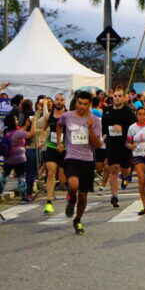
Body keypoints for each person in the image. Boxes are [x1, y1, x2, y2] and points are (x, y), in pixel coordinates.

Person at [56, 91, 102, 235]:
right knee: (73, 184)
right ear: (76, 102)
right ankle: (71, 199)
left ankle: (78, 219)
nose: (81, 106)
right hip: (71, 157)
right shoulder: (67, 116)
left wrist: (89, 129)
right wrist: (59, 142)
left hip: (87, 159)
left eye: (85, 104)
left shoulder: (95, 120)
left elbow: (97, 145)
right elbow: (58, 125)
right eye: (79, 103)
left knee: (83, 196)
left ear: (89, 105)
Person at [102, 88, 135, 207]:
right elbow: (104, 127)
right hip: (112, 144)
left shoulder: (128, 112)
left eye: (120, 96)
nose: (117, 98)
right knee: (114, 169)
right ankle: (114, 196)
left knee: (125, 169)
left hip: (124, 144)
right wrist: (104, 136)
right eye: (115, 96)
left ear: (124, 98)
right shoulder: (107, 111)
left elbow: (133, 128)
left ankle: (126, 176)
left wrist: (123, 129)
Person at [0, 114, 35, 202]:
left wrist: (26, 125)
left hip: (8, 159)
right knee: (21, 177)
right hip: (20, 159)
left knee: (4, 176)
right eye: (15, 119)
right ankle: (23, 197)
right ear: (13, 122)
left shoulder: (7, 133)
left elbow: (21, 131)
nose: (17, 120)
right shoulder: (18, 133)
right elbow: (31, 134)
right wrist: (34, 122)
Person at [42, 94, 67, 214]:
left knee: (63, 178)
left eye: (61, 100)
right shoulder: (49, 116)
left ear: (64, 102)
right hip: (52, 147)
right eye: (57, 99)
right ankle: (49, 201)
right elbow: (44, 129)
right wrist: (42, 139)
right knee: (51, 173)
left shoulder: (69, 115)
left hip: (65, 149)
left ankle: (71, 194)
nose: (59, 102)